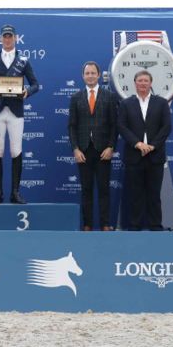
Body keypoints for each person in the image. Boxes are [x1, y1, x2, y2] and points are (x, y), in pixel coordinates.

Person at [0, 24, 39, 204]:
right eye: (4, 36)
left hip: (15, 112)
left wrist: (26, 92)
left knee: (16, 151)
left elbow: (35, 84)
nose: (7, 39)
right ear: (0, 39)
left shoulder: (24, 60)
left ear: (16, 38)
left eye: (10, 36)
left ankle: (15, 193)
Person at [117, 70, 172, 231]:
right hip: (134, 156)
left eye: (146, 81)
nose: (143, 83)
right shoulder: (126, 103)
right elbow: (122, 127)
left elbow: (166, 127)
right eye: (140, 80)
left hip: (155, 156)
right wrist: (139, 145)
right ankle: (135, 227)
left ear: (150, 83)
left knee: (154, 196)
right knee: (135, 195)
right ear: (135, 83)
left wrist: (152, 145)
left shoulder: (161, 102)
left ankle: (155, 227)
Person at [67, 61, 118, 231]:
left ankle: (104, 224)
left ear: (98, 75)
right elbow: (72, 126)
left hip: (103, 150)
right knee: (86, 189)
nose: (90, 76)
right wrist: (75, 149)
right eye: (87, 73)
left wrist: (111, 147)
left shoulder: (109, 96)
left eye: (93, 73)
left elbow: (114, 125)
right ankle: (88, 224)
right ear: (83, 76)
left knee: (104, 189)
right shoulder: (76, 97)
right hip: (83, 150)